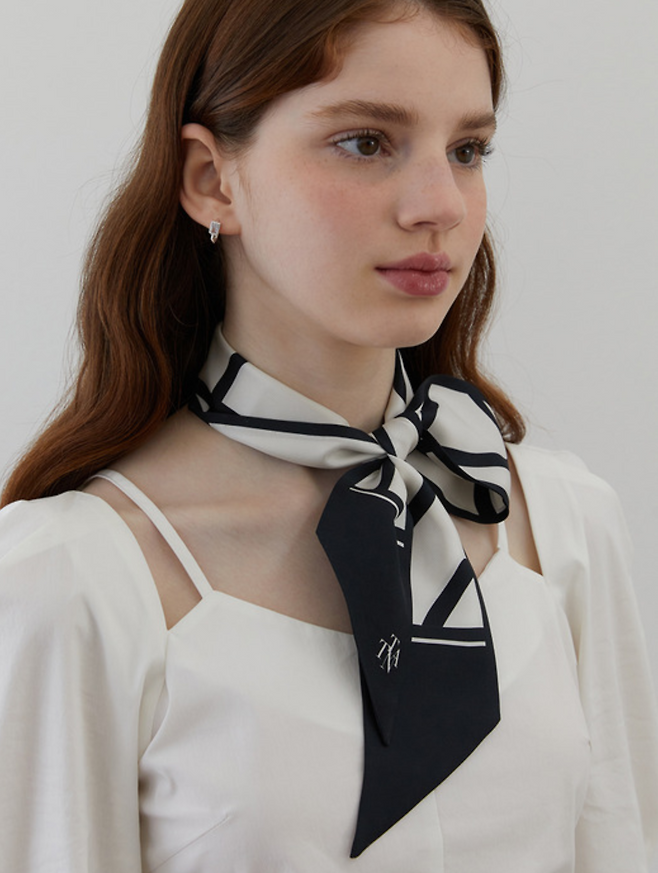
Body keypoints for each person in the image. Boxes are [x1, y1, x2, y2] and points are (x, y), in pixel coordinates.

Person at [1, 0, 657, 870]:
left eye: (467, 150)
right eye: (366, 142)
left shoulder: (561, 523)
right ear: (212, 179)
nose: (440, 205)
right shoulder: (72, 582)